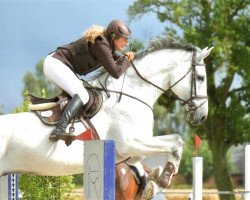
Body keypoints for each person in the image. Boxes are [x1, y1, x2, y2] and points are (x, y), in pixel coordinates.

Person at [43, 19, 134, 142]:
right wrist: (127, 60)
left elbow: (116, 60)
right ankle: (59, 130)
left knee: (78, 94)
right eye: (125, 39)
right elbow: (116, 72)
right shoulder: (101, 44)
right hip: (57, 64)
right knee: (82, 95)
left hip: (56, 64)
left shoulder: (106, 46)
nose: (127, 43)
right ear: (114, 36)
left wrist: (126, 59)